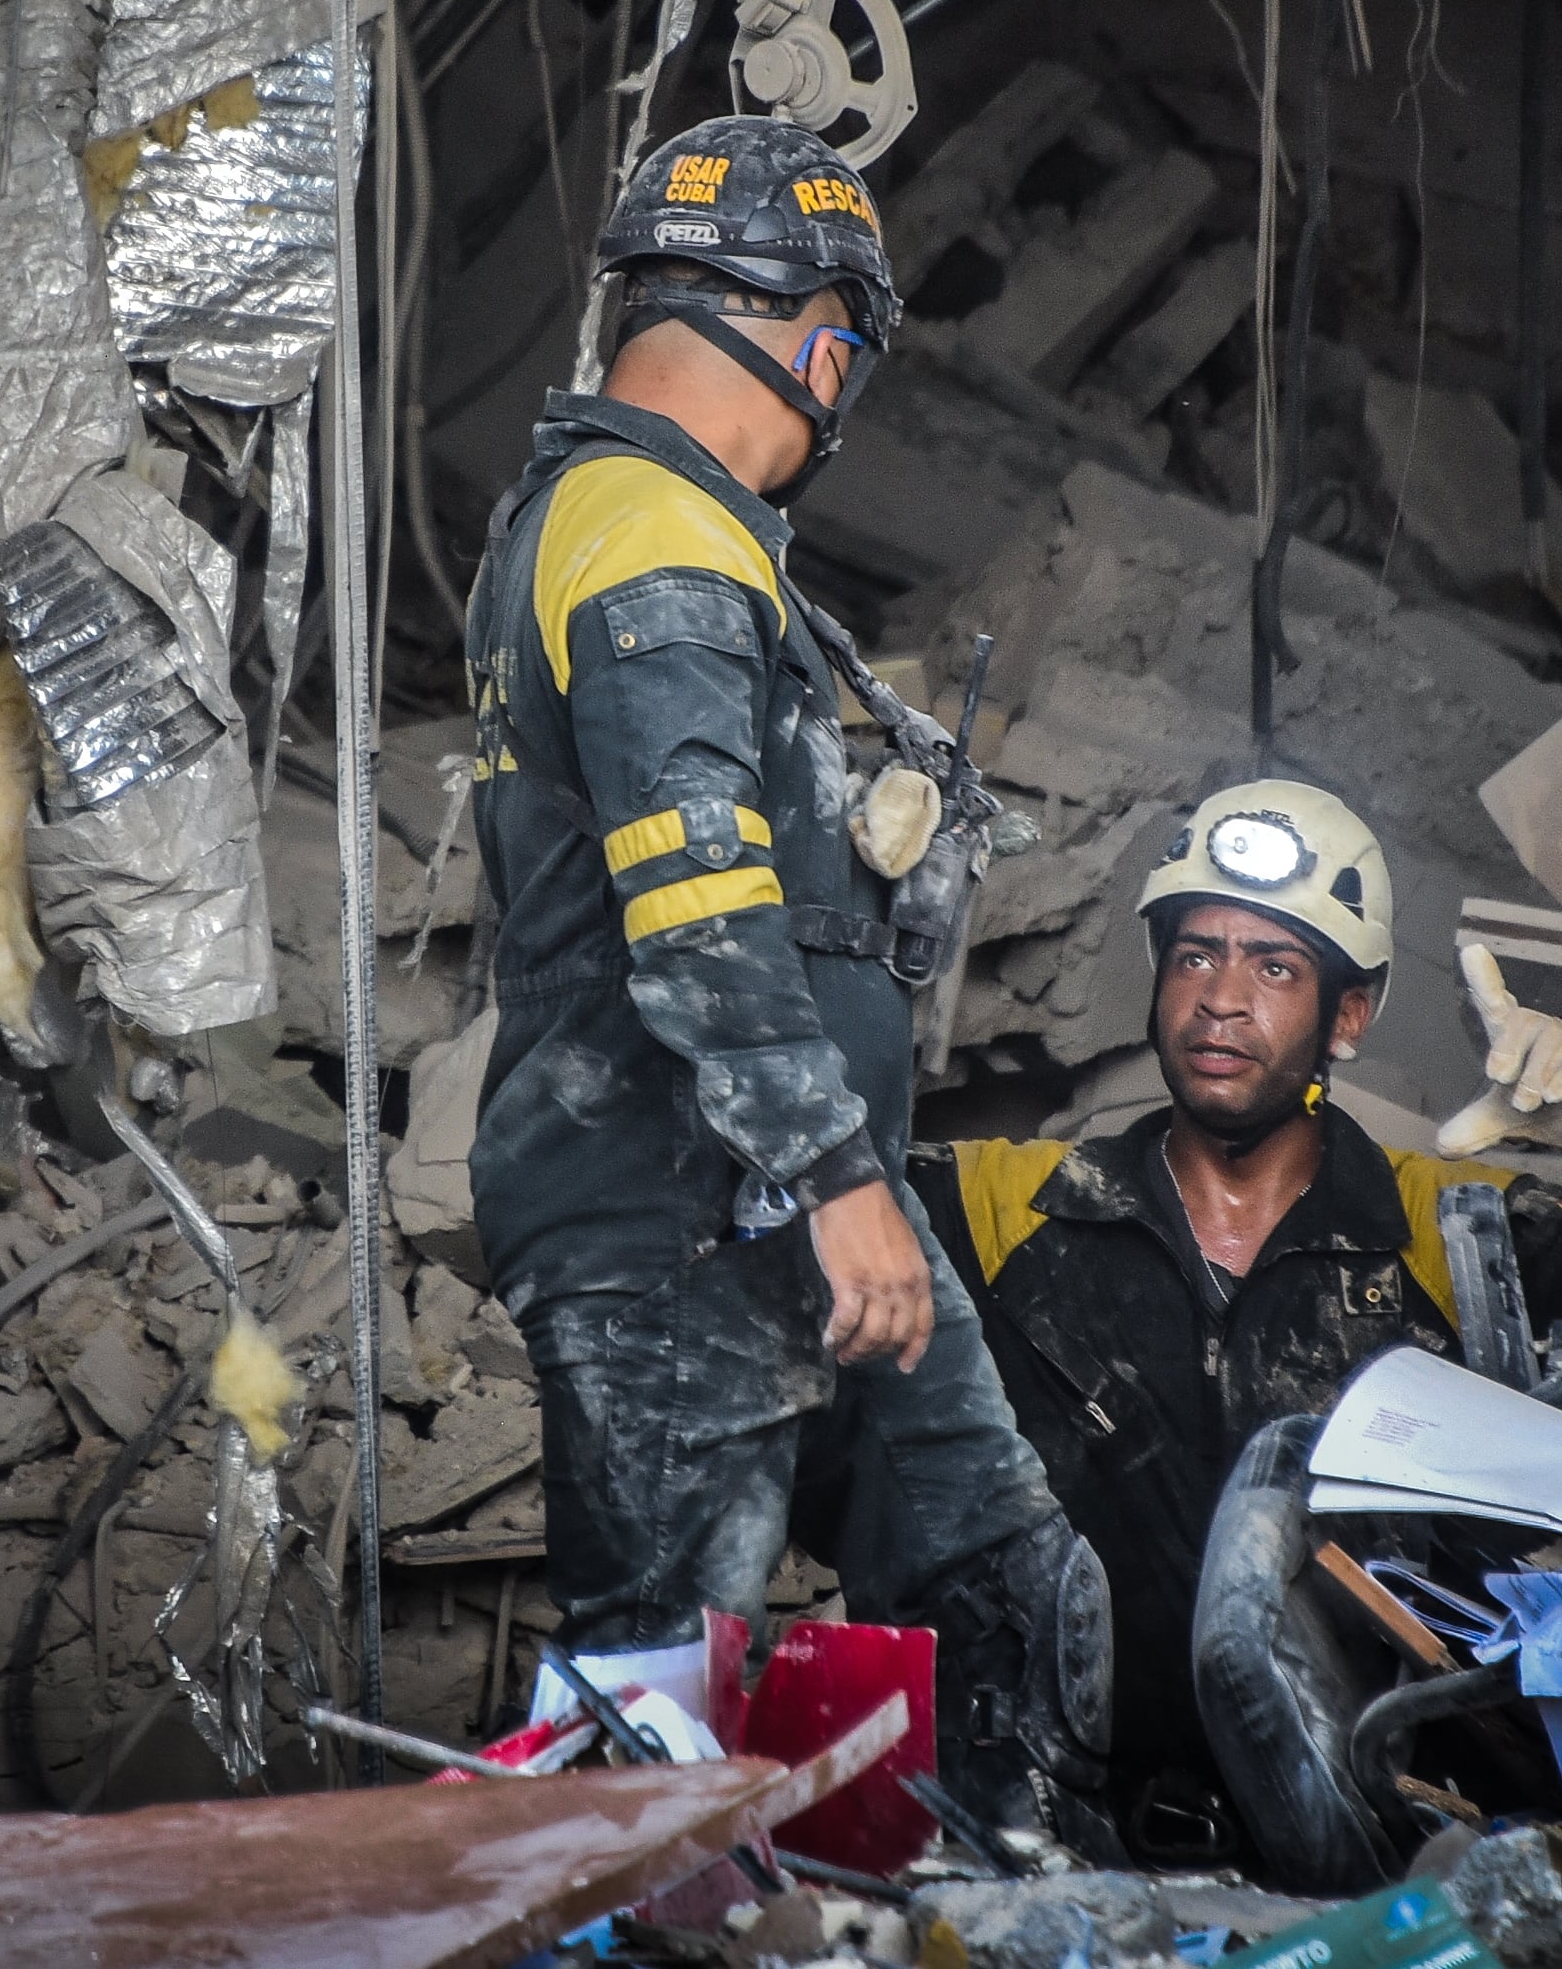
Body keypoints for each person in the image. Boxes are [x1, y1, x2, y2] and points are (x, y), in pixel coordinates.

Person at [463, 115, 1117, 1848]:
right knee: (658, 1740)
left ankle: (1002, 1914)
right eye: (850, 358)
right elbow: (695, 908)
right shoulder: (647, 529)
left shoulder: (664, 530)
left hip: (779, 1203)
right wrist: (835, 1177)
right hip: (685, 1217)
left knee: (1012, 1591)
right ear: (819, 338)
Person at [906, 778, 1562, 1865]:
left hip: (1365, 1847)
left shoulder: (1449, 1234)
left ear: (1349, 1014)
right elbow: (791, 1241)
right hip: (1061, 1840)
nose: (1220, 999)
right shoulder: (1006, 1206)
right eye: (1195, 954)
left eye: (1274, 966)